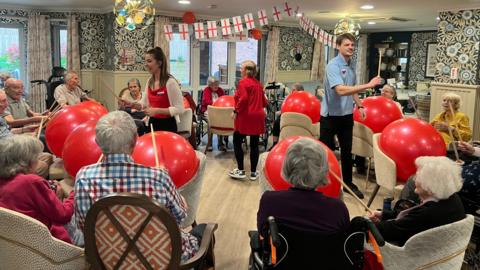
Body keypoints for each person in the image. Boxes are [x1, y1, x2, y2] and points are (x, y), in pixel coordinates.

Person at [74, 111, 200, 262]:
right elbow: (180, 218)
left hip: (107, 259)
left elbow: (84, 225)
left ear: (97, 141)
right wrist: (182, 202)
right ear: (135, 139)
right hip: (159, 259)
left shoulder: (83, 177)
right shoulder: (158, 177)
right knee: (203, 231)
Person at [320, 33, 382, 199]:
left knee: (347, 152)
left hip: (346, 116)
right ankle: (325, 183)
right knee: (327, 152)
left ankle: (347, 184)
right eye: (347, 45)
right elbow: (340, 90)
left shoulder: (351, 65)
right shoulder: (332, 66)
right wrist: (368, 85)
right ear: (338, 46)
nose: (351, 48)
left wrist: (359, 104)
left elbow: (351, 87)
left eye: (352, 45)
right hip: (329, 116)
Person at [257, 138, 350, 234]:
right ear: (324, 170)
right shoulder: (338, 209)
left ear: (287, 166)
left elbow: (262, 233)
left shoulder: (270, 201)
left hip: (283, 249)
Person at [368, 156, 465, 246]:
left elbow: (390, 231)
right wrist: (384, 215)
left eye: (418, 177)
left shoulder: (427, 213)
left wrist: (365, 224)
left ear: (430, 188)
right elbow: (409, 221)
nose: (414, 179)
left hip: (412, 256)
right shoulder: (452, 198)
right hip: (439, 251)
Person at [0, 135, 75, 244]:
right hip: (51, 247)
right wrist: (74, 194)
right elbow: (63, 215)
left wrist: (49, 192)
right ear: (26, 161)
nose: (38, 160)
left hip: (17, 246)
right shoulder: (31, 182)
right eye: (36, 157)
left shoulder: (8, 180)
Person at [127, 47, 184, 133]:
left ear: (159, 63)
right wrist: (132, 105)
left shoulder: (170, 82)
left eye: (149, 61)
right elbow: (144, 104)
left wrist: (157, 110)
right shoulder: (149, 81)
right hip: (152, 123)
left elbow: (180, 109)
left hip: (168, 125)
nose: (146, 64)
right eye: (145, 61)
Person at [228, 60, 267, 180]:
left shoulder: (242, 83)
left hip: (245, 116)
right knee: (254, 144)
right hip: (258, 116)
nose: (240, 70)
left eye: (241, 68)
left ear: (245, 71)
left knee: (237, 140)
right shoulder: (259, 84)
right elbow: (264, 102)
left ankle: (241, 170)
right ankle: (254, 173)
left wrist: (236, 111)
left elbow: (244, 99)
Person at [0, 90, 52, 178]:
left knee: (48, 157)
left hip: (12, 148)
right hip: (7, 157)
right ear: (8, 89)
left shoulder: (1, 116)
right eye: (16, 88)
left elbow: (7, 131)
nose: (3, 104)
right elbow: (4, 142)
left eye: (4, 101)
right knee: (41, 165)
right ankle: (24, 184)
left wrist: (25, 129)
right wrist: (26, 140)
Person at [270, 83, 304, 150]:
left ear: (299, 90)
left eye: (294, 90)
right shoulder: (290, 97)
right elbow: (284, 107)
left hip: (295, 116)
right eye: (292, 90)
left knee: (278, 121)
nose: (292, 91)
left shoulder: (303, 98)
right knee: (276, 122)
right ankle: (275, 143)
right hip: (287, 114)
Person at [202, 76, 227, 151]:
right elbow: (206, 102)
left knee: (221, 122)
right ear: (210, 85)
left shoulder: (221, 90)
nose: (216, 86)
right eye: (214, 84)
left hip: (219, 111)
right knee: (211, 122)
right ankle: (209, 144)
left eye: (217, 84)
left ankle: (220, 143)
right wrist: (217, 103)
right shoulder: (206, 90)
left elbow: (224, 100)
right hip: (208, 110)